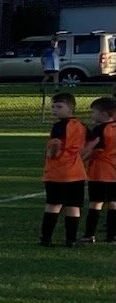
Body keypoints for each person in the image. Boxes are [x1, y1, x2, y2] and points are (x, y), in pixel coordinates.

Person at [41, 91, 87, 247]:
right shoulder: (82, 126)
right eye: (53, 106)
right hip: (76, 172)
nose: (54, 110)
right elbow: (93, 141)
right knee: (73, 206)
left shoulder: (59, 126)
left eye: (59, 106)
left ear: (70, 108)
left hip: (57, 171)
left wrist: (50, 154)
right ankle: (71, 239)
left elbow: (55, 144)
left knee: (53, 204)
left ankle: (46, 238)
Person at [84, 97, 116, 244]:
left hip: (100, 171)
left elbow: (96, 149)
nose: (92, 115)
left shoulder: (100, 129)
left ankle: (89, 234)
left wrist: (82, 159)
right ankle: (112, 235)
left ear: (103, 114)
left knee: (96, 203)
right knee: (113, 203)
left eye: (94, 112)